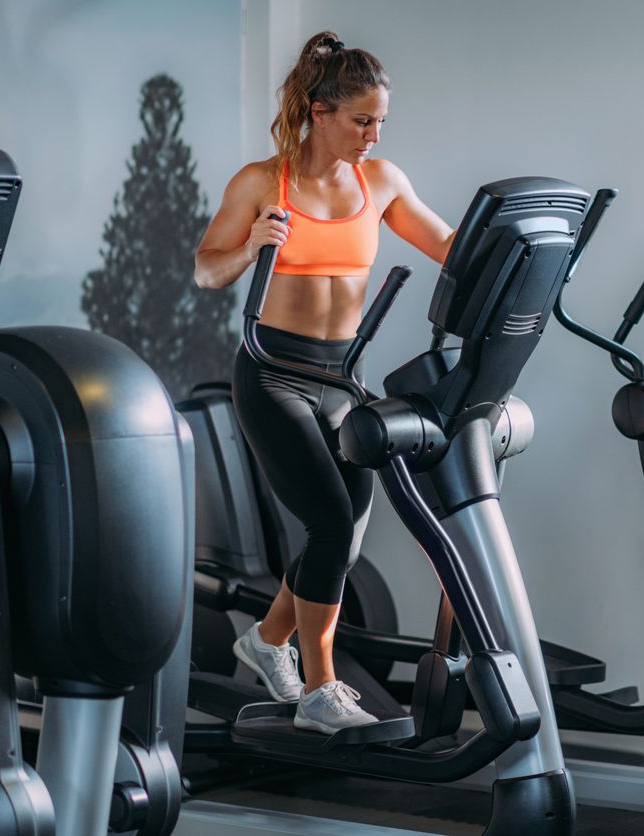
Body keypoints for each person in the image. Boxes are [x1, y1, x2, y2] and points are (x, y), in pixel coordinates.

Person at [194, 31, 454, 734]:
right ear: (319, 110)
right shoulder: (262, 182)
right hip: (274, 373)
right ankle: (320, 689)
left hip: (343, 376)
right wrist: (250, 245)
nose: (373, 135)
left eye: (380, 122)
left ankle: (268, 639)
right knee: (331, 521)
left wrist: (526, 254)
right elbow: (205, 269)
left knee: (345, 530)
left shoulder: (382, 182)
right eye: (361, 120)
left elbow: (451, 247)